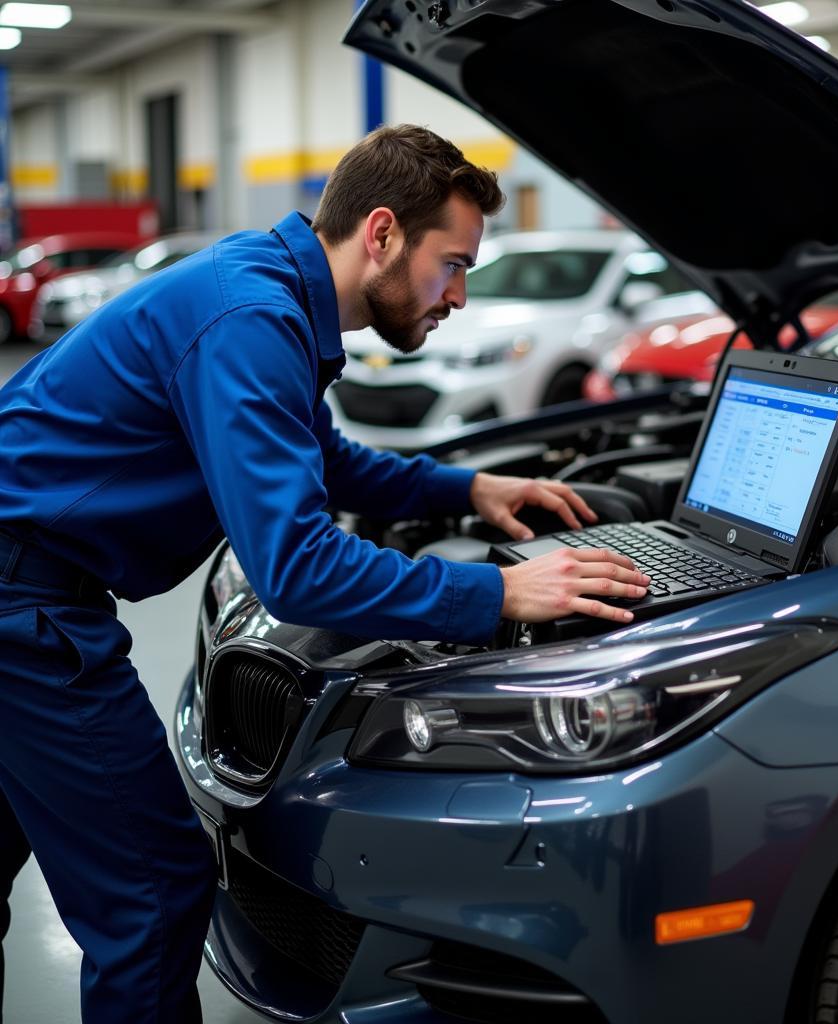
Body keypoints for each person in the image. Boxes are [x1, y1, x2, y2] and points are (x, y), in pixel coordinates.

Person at [0, 124, 648, 1023]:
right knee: (151, 891)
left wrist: (469, 487)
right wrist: (498, 592)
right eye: (451, 264)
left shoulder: (260, 284)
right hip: (20, 611)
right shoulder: (253, 319)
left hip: (22, 579)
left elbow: (323, 457)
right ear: (380, 233)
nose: (458, 295)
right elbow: (296, 569)